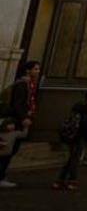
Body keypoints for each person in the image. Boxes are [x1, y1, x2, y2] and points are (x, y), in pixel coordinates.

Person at [0, 60, 41, 188]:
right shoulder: (22, 84)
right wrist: (24, 118)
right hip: (14, 120)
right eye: (35, 69)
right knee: (7, 149)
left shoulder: (30, 84)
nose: (37, 71)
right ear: (27, 70)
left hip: (18, 120)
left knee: (11, 149)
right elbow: (17, 104)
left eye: (38, 69)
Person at [53, 91, 87, 192]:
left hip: (78, 137)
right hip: (78, 137)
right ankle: (72, 180)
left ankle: (60, 180)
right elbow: (84, 126)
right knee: (75, 159)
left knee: (72, 158)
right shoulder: (86, 111)